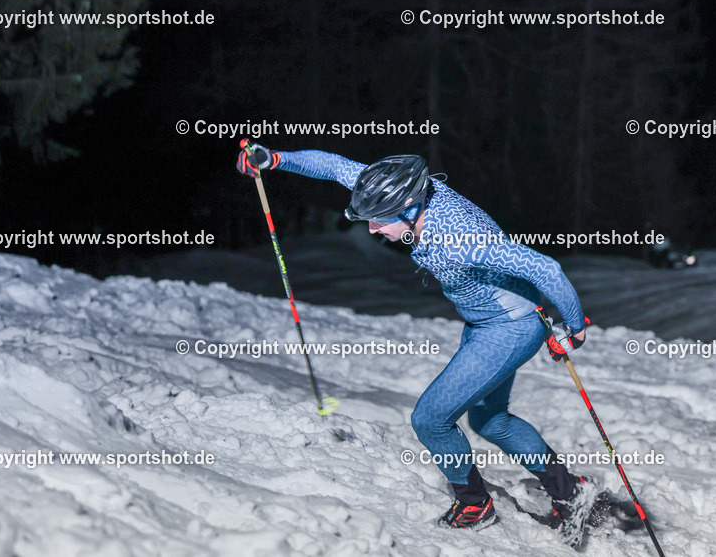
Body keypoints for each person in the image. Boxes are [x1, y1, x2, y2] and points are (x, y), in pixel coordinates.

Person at [237, 143, 596, 534]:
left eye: (379, 220)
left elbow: (545, 267)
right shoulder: (398, 189)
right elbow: (334, 165)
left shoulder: (461, 239)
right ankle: (570, 492)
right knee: (490, 421)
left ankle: (475, 505)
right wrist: (274, 159)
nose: (373, 229)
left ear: (409, 209)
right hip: (487, 321)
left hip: (508, 326)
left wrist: (574, 330)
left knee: (430, 419)